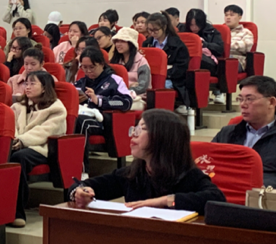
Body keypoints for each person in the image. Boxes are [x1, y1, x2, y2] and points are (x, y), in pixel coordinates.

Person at [72, 111, 226, 215]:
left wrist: (164, 201)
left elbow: (216, 199)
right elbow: (83, 185)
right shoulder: (134, 172)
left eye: (141, 129)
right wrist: (80, 192)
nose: (133, 135)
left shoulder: (188, 175)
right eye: (134, 129)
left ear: (163, 137)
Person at [211, 76, 276, 189]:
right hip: (227, 191)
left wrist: (260, 185)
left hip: (267, 194)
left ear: (271, 102)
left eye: (249, 99)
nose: (243, 104)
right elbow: (211, 164)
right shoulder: (227, 133)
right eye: (240, 99)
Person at [10, 71, 67, 227]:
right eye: (26, 83)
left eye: (32, 83)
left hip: (43, 148)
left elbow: (45, 132)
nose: (27, 87)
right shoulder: (18, 106)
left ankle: (17, 212)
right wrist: (15, 139)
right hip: (20, 144)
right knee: (3, 155)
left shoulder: (56, 108)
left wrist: (22, 140)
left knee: (19, 158)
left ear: (44, 88)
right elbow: (12, 126)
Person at [142, 12, 190, 115]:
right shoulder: (147, 43)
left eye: (155, 30)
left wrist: (164, 73)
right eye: (149, 30)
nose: (152, 33)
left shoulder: (178, 45)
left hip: (172, 78)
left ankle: (161, 114)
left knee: (161, 85)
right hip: (149, 76)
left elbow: (181, 68)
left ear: (164, 27)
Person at [110, 27, 151, 98]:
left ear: (131, 43)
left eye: (122, 41)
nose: (118, 44)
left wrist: (124, 89)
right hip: (117, 94)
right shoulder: (116, 60)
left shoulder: (141, 61)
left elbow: (143, 87)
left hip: (137, 96)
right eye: (117, 41)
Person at [184, 8, 224, 80]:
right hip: (188, 59)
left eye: (197, 25)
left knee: (195, 58)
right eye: (191, 25)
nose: (194, 28)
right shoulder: (183, 31)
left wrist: (205, 44)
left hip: (209, 61)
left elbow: (220, 49)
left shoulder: (212, 32)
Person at [223, 4, 254, 73]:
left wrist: (226, 46)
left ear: (239, 17)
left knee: (226, 58)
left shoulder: (246, 32)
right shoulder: (220, 32)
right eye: (226, 15)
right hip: (220, 58)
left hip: (237, 61)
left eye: (232, 15)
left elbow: (247, 47)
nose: (228, 17)